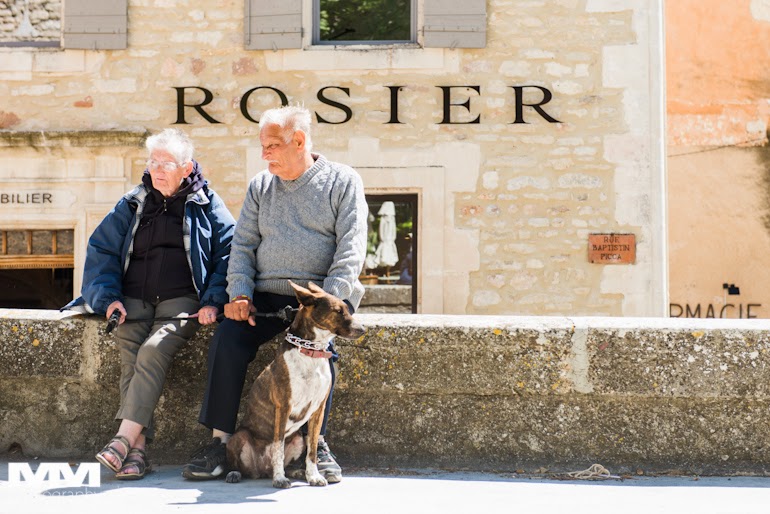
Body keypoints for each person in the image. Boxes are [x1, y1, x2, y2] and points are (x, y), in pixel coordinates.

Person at [182, 105, 368, 484]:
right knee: (228, 341)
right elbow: (244, 246)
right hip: (264, 297)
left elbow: (351, 250)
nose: (264, 154)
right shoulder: (260, 186)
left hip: (316, 300)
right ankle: (220, 443)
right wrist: (239, 295)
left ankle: (318, 444)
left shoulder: (343, 181)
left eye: (271, 145)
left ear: (298, 141)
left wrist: (326, 304)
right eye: (262, 145)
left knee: (318, 355)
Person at [64, 128, 235, 480]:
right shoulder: (133, 201)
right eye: (152, 161)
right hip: (133, 298)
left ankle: (124, 440)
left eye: (166, 163)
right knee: (131, 353)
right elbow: (103, 250)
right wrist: (108, 297)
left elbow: (230, 254)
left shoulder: (207, 203)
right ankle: (137, 453)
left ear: (186, 168)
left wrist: (214, 301)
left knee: (153, 350)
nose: (157, 169)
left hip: (182, 300)